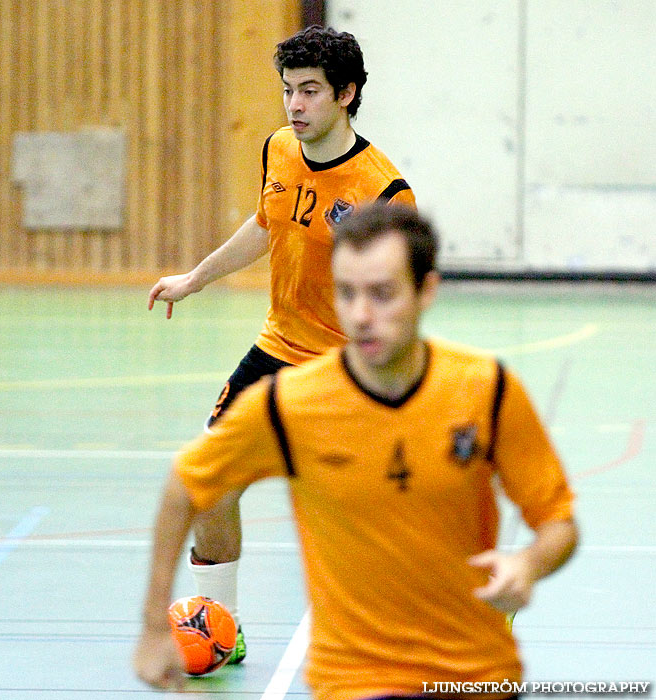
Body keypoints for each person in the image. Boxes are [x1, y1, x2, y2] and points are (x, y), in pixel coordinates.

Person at [134, 203, 579, 699]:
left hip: (474, 676)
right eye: (347, 294)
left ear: (426, 290)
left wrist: (530, 564)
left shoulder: (487, 390)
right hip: (353, 681)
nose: (362, 315)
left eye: (383, 294)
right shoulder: (291, 404)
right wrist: (154, 629)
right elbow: (185, 485)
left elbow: (558, 522)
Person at [146, 26, 416, 662]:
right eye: (288, 91)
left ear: (346, 95)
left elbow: (402, 299)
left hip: (347, 369)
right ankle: (221, 626)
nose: (295, 106)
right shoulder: (278, 149)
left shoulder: (383, 193)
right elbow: (268, 222)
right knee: (211, 480)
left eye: (311, 92)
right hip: (276, 350)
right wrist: (196, 278)